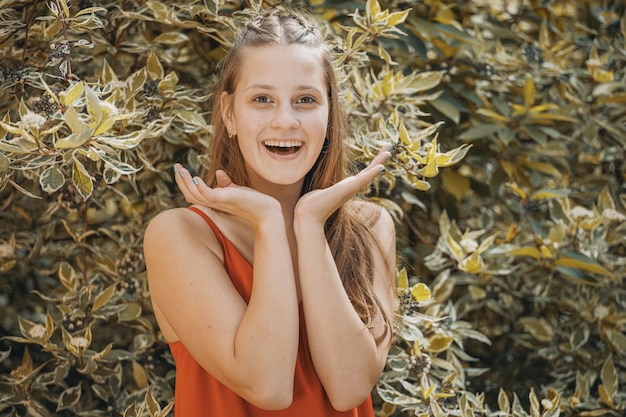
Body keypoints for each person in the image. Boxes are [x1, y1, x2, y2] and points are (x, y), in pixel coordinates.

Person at [143, 7, 396, 417]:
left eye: (305, 100)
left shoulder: (370, 227)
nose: (285, 120)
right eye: (262, 99)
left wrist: (310, 224)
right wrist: (267, 224)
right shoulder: (180, 235)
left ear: (329, 115)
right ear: (229, 113)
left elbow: (349, 388)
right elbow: (269, 385)